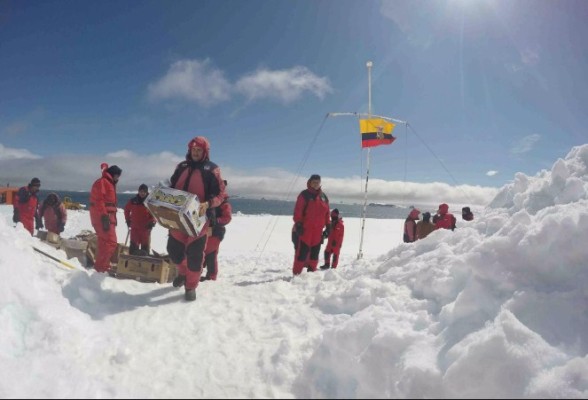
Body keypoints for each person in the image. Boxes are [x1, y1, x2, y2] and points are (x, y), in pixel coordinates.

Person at [167, 136, 227, 301]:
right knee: (174, 250)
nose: (195, 152)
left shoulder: (212, 170)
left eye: (199, 150)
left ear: (205, 152)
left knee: (195, 255)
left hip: (199, 218)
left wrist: (208, 204)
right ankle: (183, 273)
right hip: (178, 216)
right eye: (193, 149)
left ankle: (190, 286)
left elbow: (220, 194)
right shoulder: (181, 167)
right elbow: (171, 186)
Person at [292, 174, 330, 275]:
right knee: (301, 254)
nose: (316, 184)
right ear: (310, 182)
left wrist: (328, 226)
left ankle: (311, 275)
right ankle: (296, 274)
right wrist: (298, 224)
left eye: (318, 182)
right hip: (306, 231)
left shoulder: (323, 197)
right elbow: (298, 211)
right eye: (314, 182)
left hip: (318, 232)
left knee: (314, 255)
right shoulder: (304, 195)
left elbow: (327, 213)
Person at [89, 163, 122, 273]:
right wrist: (103, 216)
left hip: (108, 217)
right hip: (103, 217)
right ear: (113, 174)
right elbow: (99, 201)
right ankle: (101, 267)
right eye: (117, 176)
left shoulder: (109, 183)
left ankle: (101, 267)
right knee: (111, 242)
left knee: (104, 243)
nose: (118, 178)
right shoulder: (102, 182)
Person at [201, 181, 232, 282]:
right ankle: (198, 273)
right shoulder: (207, 199)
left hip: (216, 231)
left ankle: (211, 277)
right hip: (204, 230)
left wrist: (214, 222)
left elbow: (227, 218)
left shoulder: (224, 202)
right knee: (200, 251)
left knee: (210, 253)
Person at [124, 184, 156, 256]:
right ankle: (132, 261)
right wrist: (128, 220)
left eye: (144, 192)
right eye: (141, 191)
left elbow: (154, 213)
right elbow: (126, 209)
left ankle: (145, 261)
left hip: (145, 228)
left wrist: (152, 221)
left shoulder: (150, 202)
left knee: (145, 249)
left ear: (146, 192)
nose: (142, 193)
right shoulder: (133, 201)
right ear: (138, 191)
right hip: (135, 228)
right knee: (133, 248)